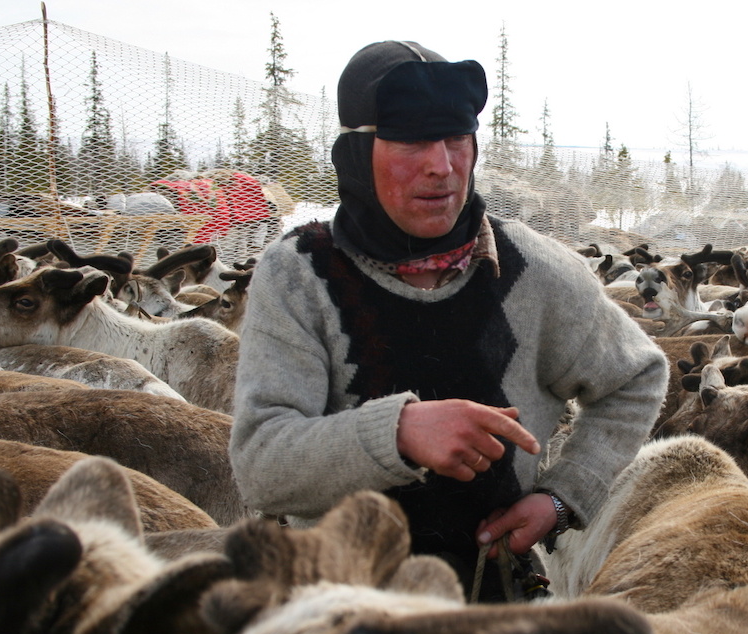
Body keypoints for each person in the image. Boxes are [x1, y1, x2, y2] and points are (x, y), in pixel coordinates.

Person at [228, 40, 667, 601]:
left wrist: (563, 497)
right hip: (338, 614)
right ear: (357, 156)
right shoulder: (300, 275)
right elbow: (261, 464)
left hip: (495, 601)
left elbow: (637, 377)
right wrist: (400, 432)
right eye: (412, 140)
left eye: (457, 137)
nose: (443, 165)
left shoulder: (535, 270)